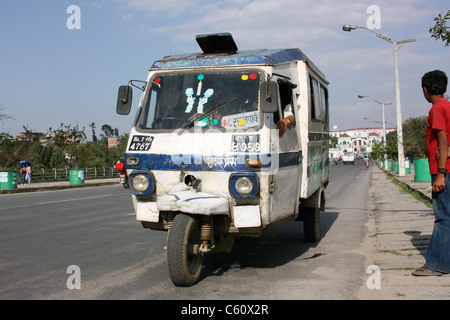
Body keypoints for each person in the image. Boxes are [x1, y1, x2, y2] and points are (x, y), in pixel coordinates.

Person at [412, 70, 450, 276]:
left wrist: (441, 173)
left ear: (425, 90)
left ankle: (437, 264)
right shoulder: (447, 106)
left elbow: (443, 141)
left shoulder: (437, 109)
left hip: (444, 170)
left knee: (443, 217)